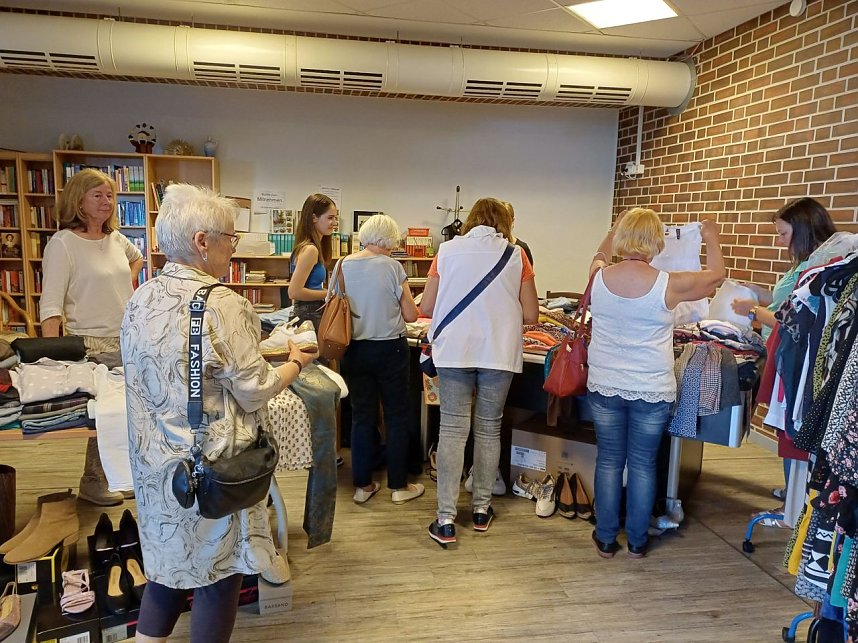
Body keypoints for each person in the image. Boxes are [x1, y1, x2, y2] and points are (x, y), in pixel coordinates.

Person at [121, 184, 315, 643]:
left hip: (156, 466)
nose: (234, 247)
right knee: (219, 574)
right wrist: (296, 362)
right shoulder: (223, 303)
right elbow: (254, 391)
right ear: (202, 241)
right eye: (230, 237)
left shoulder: (141, 297)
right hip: (211, 466)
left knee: (168, 567)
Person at [586, 208, 725, 559]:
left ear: (622, 237)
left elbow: (599, 254)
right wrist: (710, 237)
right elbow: (716, 277)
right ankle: (637, 540)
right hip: (651, 388)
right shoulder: (669, 283)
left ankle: (606, 537)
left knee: (609, 460)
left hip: (604, 384)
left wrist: (613, 229)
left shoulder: (597, 276)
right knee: (643, 463)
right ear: (656, 242)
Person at [420, 197, 539, 546]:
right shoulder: (517, 255)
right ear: (505, 222)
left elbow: (427, 306)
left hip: (454, 351)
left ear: (471, 220)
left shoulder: (446, 251)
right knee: (489, 429)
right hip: (497, 352)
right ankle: (482, 510)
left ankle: (445, 518)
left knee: (452, 430)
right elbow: (531, 314)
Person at [40, 168, 144, 506]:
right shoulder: (63, 244)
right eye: (97, 195)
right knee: (103, 416)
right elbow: (51, 305)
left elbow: (137, 259)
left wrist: (122, 285)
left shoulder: (116, 240)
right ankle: (94, 481)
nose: (106, 201)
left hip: (126, 336)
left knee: (127, 412)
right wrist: (51, 358)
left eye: (110, 195)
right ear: (78, 201)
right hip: (89, 342)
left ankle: (119, 476)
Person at [731, 197, 836, 513]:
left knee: (792, 427)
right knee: (788, 428)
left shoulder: (813, 269)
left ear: (802, 230)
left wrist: (752, 310)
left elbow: (789, 321)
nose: (779, 241)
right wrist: (759, 293)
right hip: (782, 354)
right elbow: (783, 304)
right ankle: (793, 492)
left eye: (783, 233)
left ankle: (795, 504)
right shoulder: (802, 265)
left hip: (795, 358)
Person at [339, 214, 423, 505]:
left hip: (354, 350)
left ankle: (363, 486)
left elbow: (334, 305)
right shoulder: (393, 267)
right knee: (396, 415)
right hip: (390, 350)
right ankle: (399, 486)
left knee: (362, 416)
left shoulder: (342, 264)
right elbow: (411, 315)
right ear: (389, 239)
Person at [287, 193, 338, 332]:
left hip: (310, 312)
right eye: (330, 218)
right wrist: (331, 293)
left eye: (335, 218)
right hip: (308, 316)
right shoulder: (310, 250)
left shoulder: (311, 247)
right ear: (314, 218)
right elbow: (294, 292)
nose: (335, 223)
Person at [502, 201, 533, 266]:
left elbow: (528, 271)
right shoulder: (490, 247)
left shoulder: (522, 248)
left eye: (506, 220)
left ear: (512, 221)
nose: (502, 225)